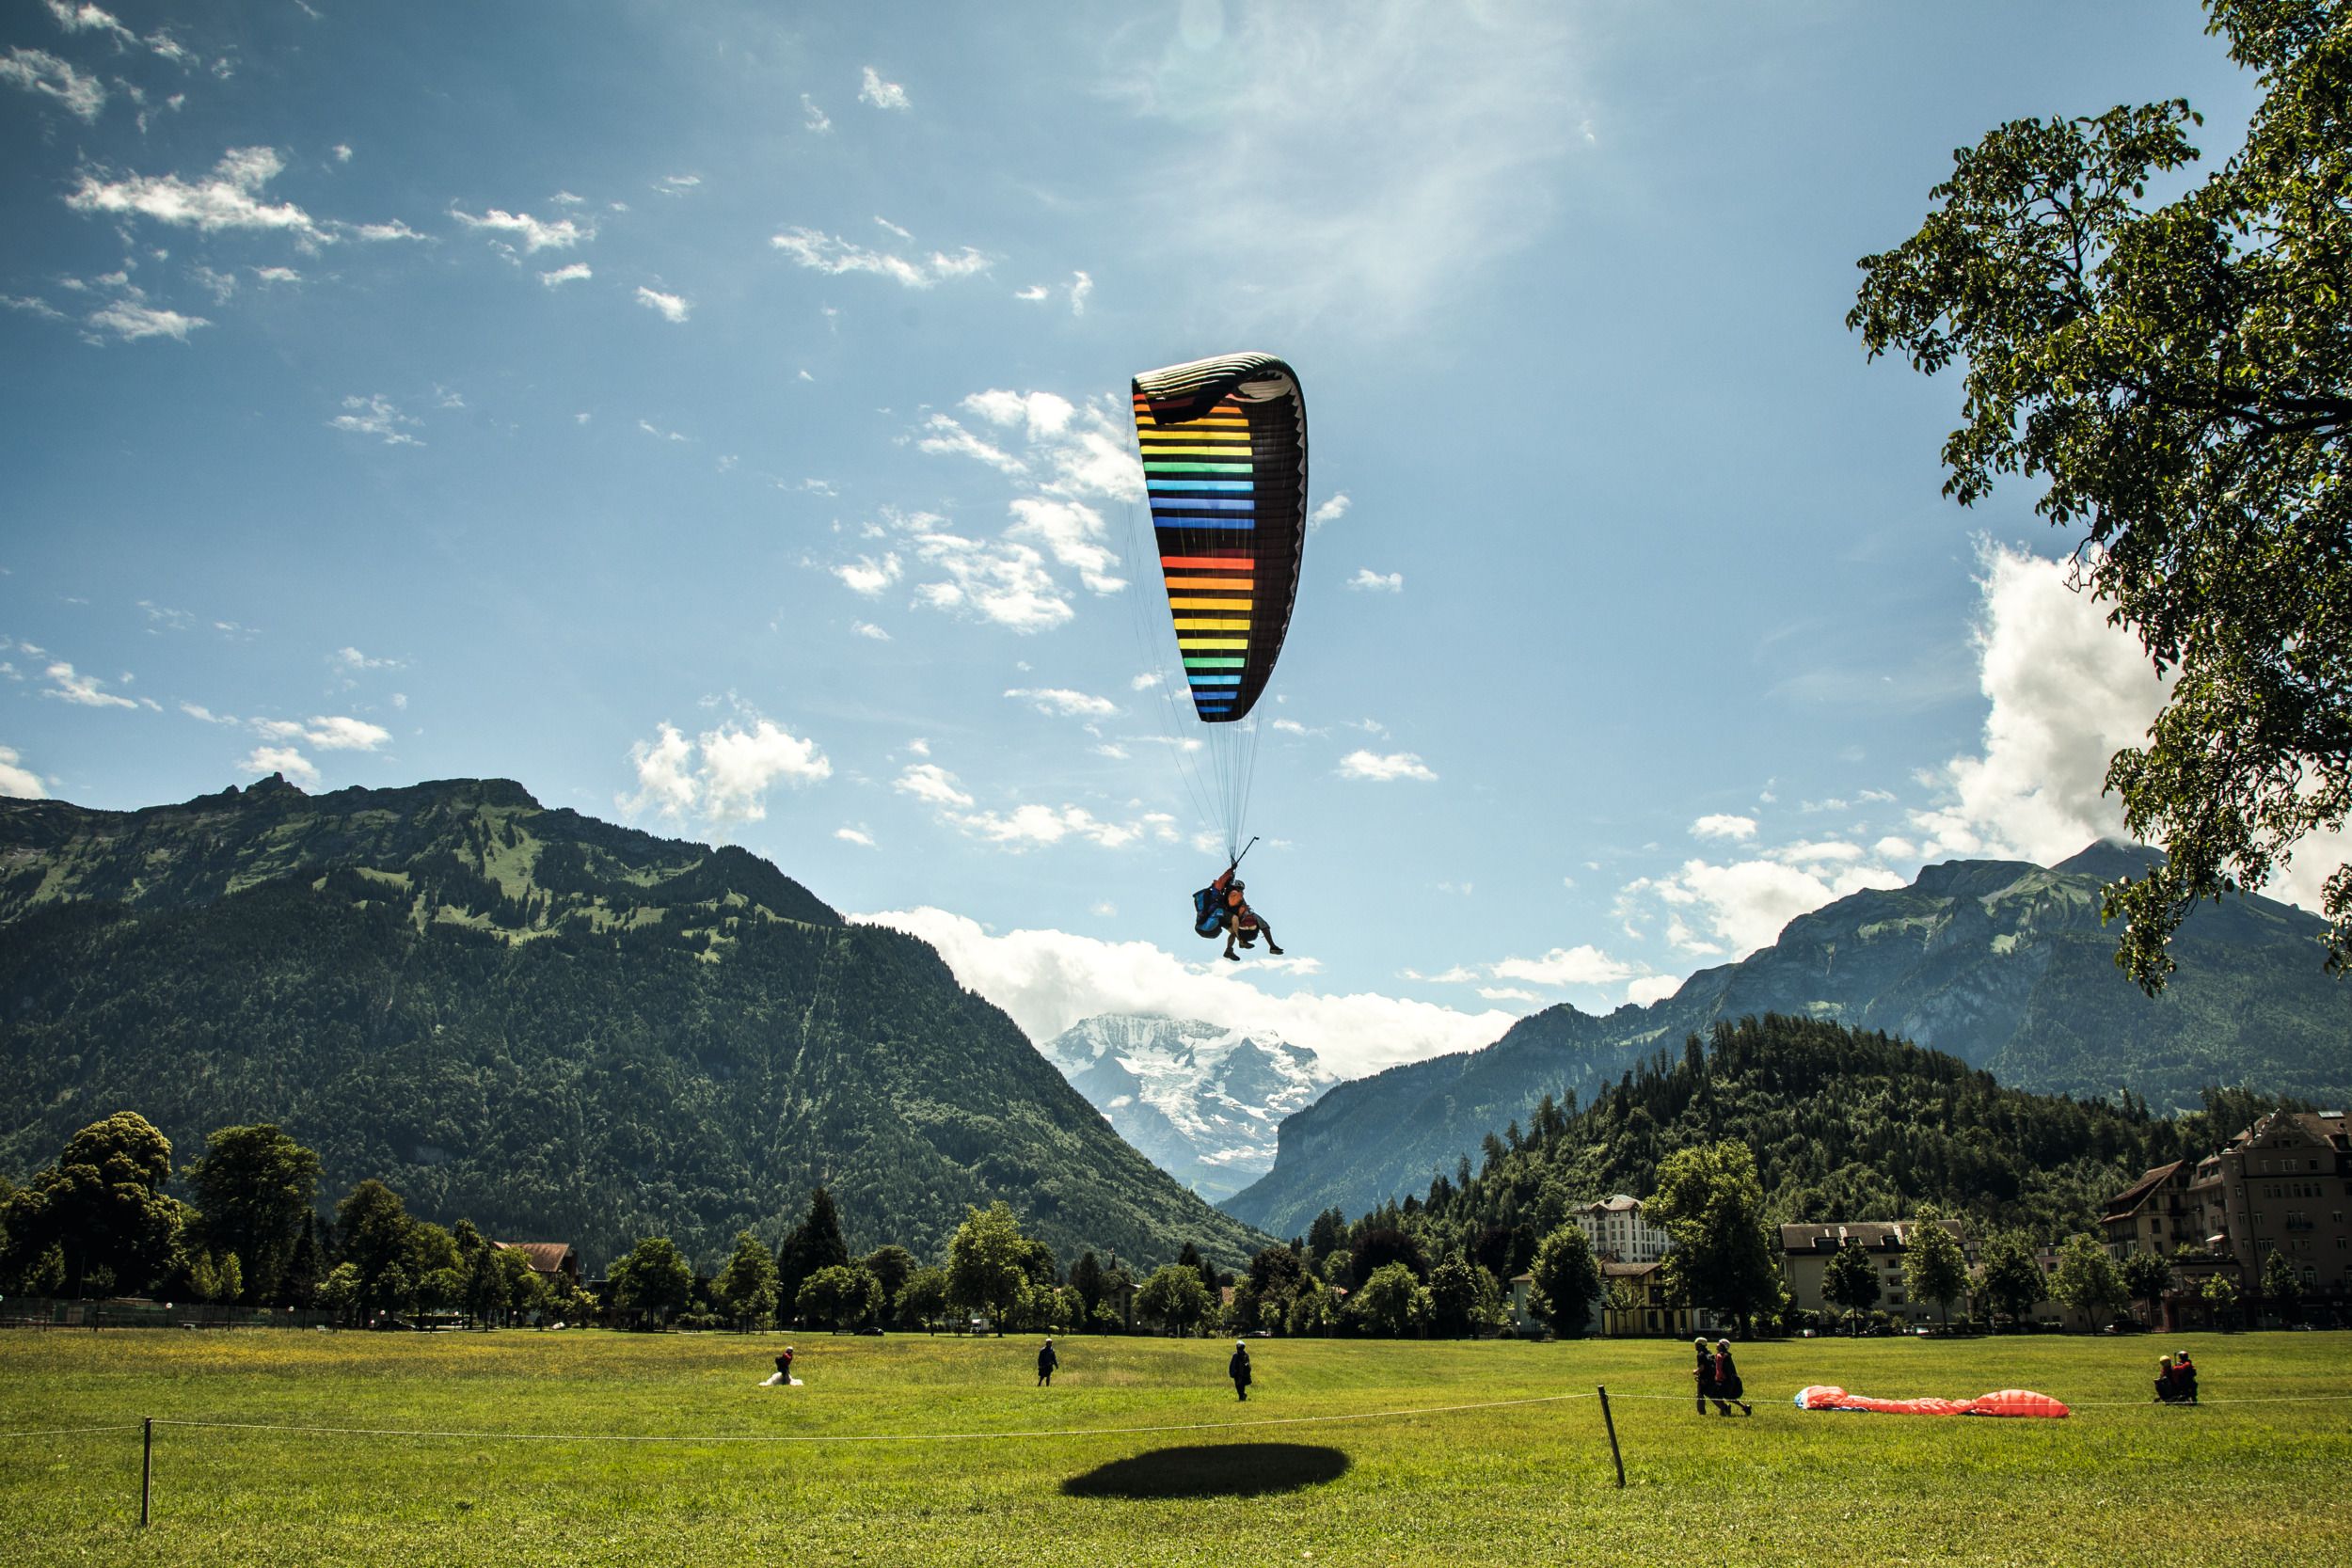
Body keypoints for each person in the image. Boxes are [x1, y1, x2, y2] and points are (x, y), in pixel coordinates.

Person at [1199, 859, 1283, 961]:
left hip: (1222, 916)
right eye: (1240, 889)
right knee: (1255, 922)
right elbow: (1224, 883)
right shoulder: (1230, 892)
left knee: (1233, 931)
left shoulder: (1226, 892)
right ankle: (1270, 946)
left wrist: (1231, 874)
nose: (1241, 892)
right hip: (1218, 913)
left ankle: (1229, 950)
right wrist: (1231, 871)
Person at [1713, 1338, 1753, 1416]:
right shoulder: (1727, 1355)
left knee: (1717, 1395)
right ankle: (1745, 1407)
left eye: (1718, 1343)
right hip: (1731, 1379)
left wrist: (1718, 1379)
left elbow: (1719, 1369)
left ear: (1722, 1346)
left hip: (1724, 1379)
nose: (1716, 1345)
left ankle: (1725, 1409)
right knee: (1727, 1396)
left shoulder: (1720, 1356)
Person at [1692, 1337, 1717, 1415]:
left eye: (1696, 1344)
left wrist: (1696, 1371)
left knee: (1700, 1394)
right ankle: (1725, 1407)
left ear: (1700, 1345)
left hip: (1704, 1377)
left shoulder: (1700, 1354)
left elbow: (1702, 1367)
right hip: (1711, 1376)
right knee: (1712, 1394)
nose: (1695, 1346)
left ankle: (1701, 1412)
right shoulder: (1709, 1352)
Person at [1229, 1338, 1253, 1402]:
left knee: (1239, 1385)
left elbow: (1233, 1364)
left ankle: (1242, 1396)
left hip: (1240, 1373)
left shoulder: (1239, 1355)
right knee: (1240, 1386)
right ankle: (1242, 1396)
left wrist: (1233, 1372)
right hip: (1240, 1373)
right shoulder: (1242, 1355)